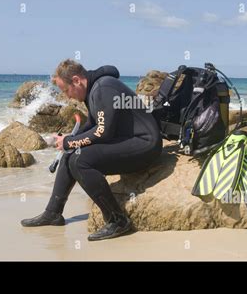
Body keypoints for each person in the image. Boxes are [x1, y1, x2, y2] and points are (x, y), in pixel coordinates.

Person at [21, 59, 163, 241]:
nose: (67, 97)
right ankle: (53, 213)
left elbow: (104, 132)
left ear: (76, 80)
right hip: (128, 140)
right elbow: (92, 125)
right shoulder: (94, 89)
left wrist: (70, 142)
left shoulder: (103, 89)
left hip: (145, 144)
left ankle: (118, 221)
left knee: (80, 161)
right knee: (70, 154)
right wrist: (69, 140)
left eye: (66, 90)